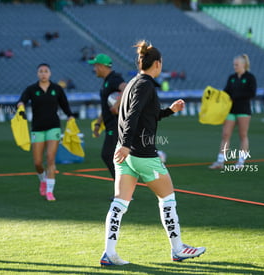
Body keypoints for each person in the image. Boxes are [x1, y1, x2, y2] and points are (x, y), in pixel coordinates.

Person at [100, 40, 205, 266]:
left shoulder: (132, 83)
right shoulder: (146, 84)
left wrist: (170, 111)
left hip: (124, 153)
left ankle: (109, 253)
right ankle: (178, 249)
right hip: (141, 154)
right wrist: (128, 144)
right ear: (157, 63)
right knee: (167, 198)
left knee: (119, 203)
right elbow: (133, 115)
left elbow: (148, 115)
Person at [17, 64, 74, 201]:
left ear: (50, 73)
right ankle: (43, 180)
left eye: (46, 71)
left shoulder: (57, 89)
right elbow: (22, 100)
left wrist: (70, 116)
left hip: (54, 126)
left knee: (50, 158)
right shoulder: (31, 89)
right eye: (41, 71)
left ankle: (50, 191)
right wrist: (20, 105)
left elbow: (64, 105)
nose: (43, 74)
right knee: (37, 162)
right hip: (37, 128)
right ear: (37, 74)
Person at [209, 54, 257, 169]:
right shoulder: (232, 77)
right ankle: (220, 161)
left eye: (236, 65)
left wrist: (235, 96)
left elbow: (252, 93)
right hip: (231, 110)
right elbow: (226, 92)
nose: (234, 67)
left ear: (243, 65)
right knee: (225, 134)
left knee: (243, 135)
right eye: (234, 65)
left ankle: (241, 162)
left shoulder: (250, 77)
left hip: (243, 110)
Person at [88, 54, 127, 182]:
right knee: (112, 155)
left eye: (95, 66)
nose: (94, 69)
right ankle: (123, 189)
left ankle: (123, 190)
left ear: (101, 66)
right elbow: (106, 107)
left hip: (117, 123)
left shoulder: (113, 79)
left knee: (108, 154)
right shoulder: (106, 82)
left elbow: (126, 88)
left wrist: (116, 105)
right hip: (110, 124)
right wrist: (98, 124)